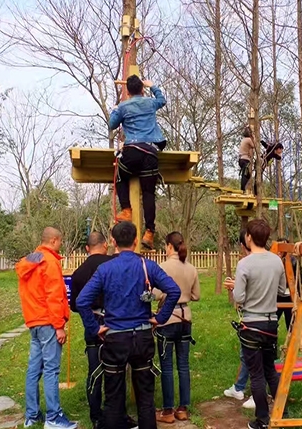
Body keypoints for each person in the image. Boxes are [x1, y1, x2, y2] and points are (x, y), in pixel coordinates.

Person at [76, 221, 181, 429]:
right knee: (145, 398)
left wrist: (94, 328)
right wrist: (160, 318)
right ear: (135, 241)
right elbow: (174, 290)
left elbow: (81, 301)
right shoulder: (147, 265)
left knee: (114, 398)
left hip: (115, 339)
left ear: (113, 241)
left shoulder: (105, 269)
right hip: (142, 338)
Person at [70, 232, 137, 429]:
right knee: (118, 371)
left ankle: (96, 416)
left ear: (87, 248)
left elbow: (75, 305)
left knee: (95, 372)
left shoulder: (79, 273)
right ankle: (120, 415)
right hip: (115, 323)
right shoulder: (113, 266)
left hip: (92, 324)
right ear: (105, 245)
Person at [224, 219, 287, 429]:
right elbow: (282, 290)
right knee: (270, 369)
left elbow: (240, 297)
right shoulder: (277, 261)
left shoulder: (245, 263)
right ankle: (282, 413)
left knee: (257, 373)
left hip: (251, 324)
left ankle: (262, 420)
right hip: (271, 323)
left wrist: (235, 288)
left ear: (249, 237)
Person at [16, 227, 77, 429]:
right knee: (52, 369)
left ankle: (31, 415)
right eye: (60, 242)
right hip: (48, 322)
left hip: (33, 321)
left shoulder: (30, 260)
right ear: (53, 240)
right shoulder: (49, 261)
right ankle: (54, 416)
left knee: (34, 369)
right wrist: (59, 325)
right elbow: (54, 295)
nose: (60, 245)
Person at [110, 75, 167, 249]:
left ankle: (127, 210)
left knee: (120, 174)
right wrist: (153, 85)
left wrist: (115, 109)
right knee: (149, 192)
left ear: (127, 91)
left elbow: (112, 124)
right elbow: (162, 100)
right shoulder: (150, 103)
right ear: (142, 89)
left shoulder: (123, 107)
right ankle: (149, 231)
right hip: (150, 151)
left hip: (133, 150)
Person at [154, 232, 201, 424]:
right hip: (185, 318)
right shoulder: (191, 268)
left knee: (167, 367)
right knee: (183, 365)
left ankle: (167, 411)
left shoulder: (162, 267)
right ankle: (183, 408)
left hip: (167, 318)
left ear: (169, 246)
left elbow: (155, 294)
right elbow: (196, 295)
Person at [223, 229, 255, 410]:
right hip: (258, 315)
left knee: (255, 355)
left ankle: (257, 394)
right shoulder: (261, 261)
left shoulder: (249, 263)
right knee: (247, 354)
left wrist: (236, 288)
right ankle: (240, 387)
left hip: (256, 316)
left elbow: (248, 292)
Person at [239, 128, 255, 194]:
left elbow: (251, 148)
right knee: (246, 175)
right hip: (245, 159)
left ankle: (243, 188)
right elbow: (254, 145)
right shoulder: (248, 140)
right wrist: (254, 136)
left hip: (241, 159)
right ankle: (242, 189)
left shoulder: (243, 140)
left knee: (246, 175)